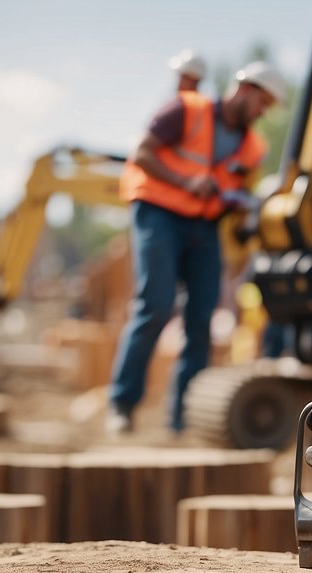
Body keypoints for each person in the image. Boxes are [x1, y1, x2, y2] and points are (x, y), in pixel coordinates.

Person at [108, 61, 285, 435]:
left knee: (201, 319)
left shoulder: (254, 147)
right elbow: (141, 153)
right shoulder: (187, 109)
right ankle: (122, 405)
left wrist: (240, 205)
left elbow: (238, 188)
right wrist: (185, 181)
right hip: (158, 213)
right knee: (154, 305)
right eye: (262, 103)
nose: (262, 113)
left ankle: (182, 417)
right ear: (245, 89)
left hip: (205, 226)